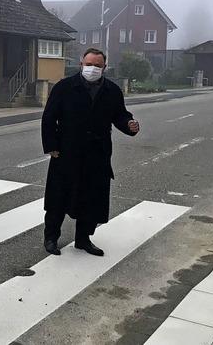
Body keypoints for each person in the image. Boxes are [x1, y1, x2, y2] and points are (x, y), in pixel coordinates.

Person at [41, 48, 140, 256]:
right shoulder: (65, 87)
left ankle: (83, 239)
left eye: (97, 65)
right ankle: (51, 237)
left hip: (97, 154)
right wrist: (51, 147)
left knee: (91, 198)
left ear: (104, 67)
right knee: (58, 198)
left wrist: (129, 124)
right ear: (81, 64)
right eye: (89, 64)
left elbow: (120, 115)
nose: (92, 68)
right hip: (67, 152)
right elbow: (49, 117)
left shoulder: (112, 90)